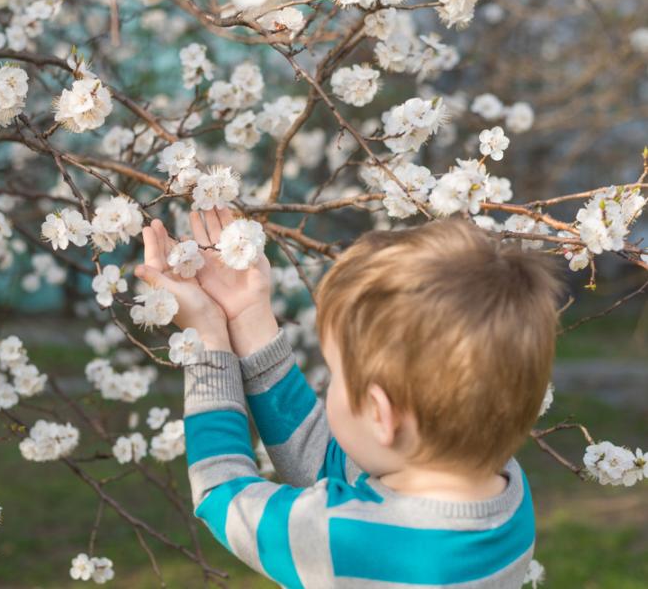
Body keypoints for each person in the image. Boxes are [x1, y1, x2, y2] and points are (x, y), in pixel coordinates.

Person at [134, 208, 563, 588]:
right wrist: (249, 318)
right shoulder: (505, 494)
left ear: (380, 413)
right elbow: (327, 462)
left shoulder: (343, 537)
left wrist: (208, 341)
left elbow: (222, 491)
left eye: (337, 374)